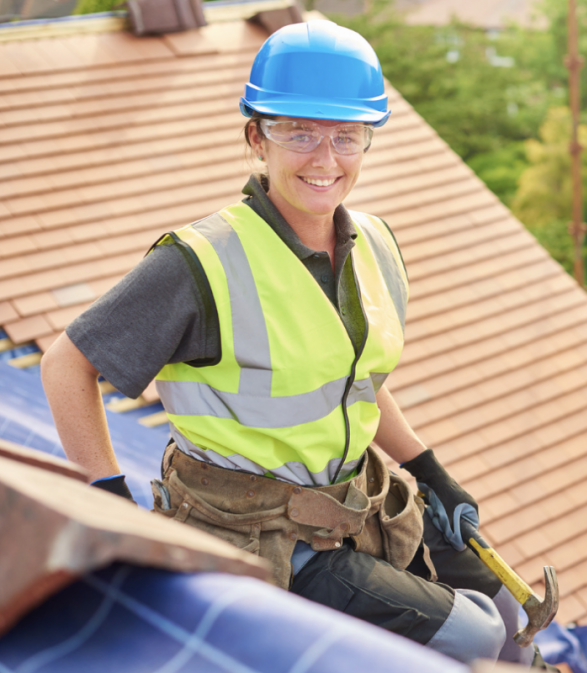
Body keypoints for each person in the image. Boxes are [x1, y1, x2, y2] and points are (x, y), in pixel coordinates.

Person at [40, 20, 552, 670]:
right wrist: (113, 504)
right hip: (259, 535)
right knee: (477, 635)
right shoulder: (201, 262)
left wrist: (429, 472)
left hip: (352, 508)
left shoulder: (374, 244)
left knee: (507, 615)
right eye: (299, 132)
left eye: (346, 136)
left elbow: (354, 379)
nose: (325, 158)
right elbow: (65, 366)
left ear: (368, 140)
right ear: (257, 136)